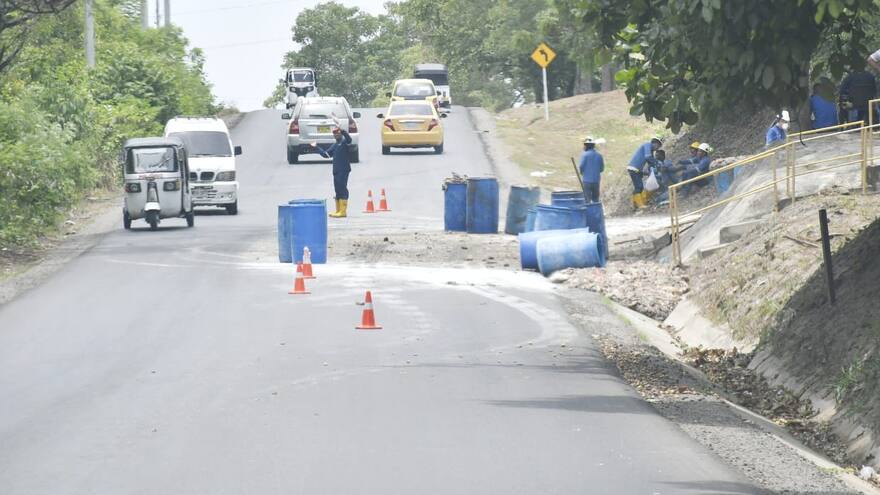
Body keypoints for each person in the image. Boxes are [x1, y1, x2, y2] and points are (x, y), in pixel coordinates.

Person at [314, 119, 353, 218]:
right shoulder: (335, 144)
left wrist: (343, 131)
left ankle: (343, 212)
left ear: (340, 134)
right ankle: (338, 210)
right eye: (334, 133)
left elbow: (349, 140)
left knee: (342, 188)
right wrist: (316, 147)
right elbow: (326, 154)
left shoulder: (344, 143)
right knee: (337, 189)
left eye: (337, 133)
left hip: (343, 169)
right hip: (336, 170)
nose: (336, 135)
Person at [627, 136, 662, 208]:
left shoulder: (651, 150)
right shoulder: (647, 145)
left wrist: (653, 169)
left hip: (637, 169)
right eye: (658, 146)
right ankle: (640, 205)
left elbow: (650, 163)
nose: (657, 148)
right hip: (634, 168)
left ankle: (634, 204)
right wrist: (656, 163)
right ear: (654, 143)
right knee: (639, 187)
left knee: (639, 187)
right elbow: (648, 157)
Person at [578, 136, 604, 202]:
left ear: (586, 146)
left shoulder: (585, 155)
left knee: (587, 200)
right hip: (596, 181)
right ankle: (595, 211)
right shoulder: (599, 155)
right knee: (595, 199)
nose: (583, 147)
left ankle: (588, 211)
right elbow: (602, 169)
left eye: (584, 145)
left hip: (587, 181)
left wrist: (582, 172)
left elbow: (581, 166)